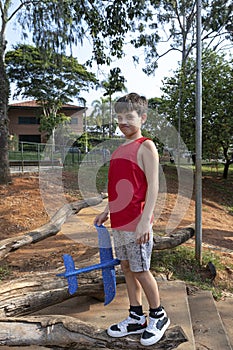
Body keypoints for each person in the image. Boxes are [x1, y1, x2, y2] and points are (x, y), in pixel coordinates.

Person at [94, 92, 170, 346]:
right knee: (127, 268)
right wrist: (107, 209)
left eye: (129, 116)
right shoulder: (118, 150)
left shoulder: (146, 146)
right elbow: (118, 187)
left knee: (141, 269)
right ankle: (136, 316)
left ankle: (158, 315)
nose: (123, 121)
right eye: (119, 117)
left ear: (143, 118)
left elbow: (154, 186)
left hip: (137, 221)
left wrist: (146, 220)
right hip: (119, 220)